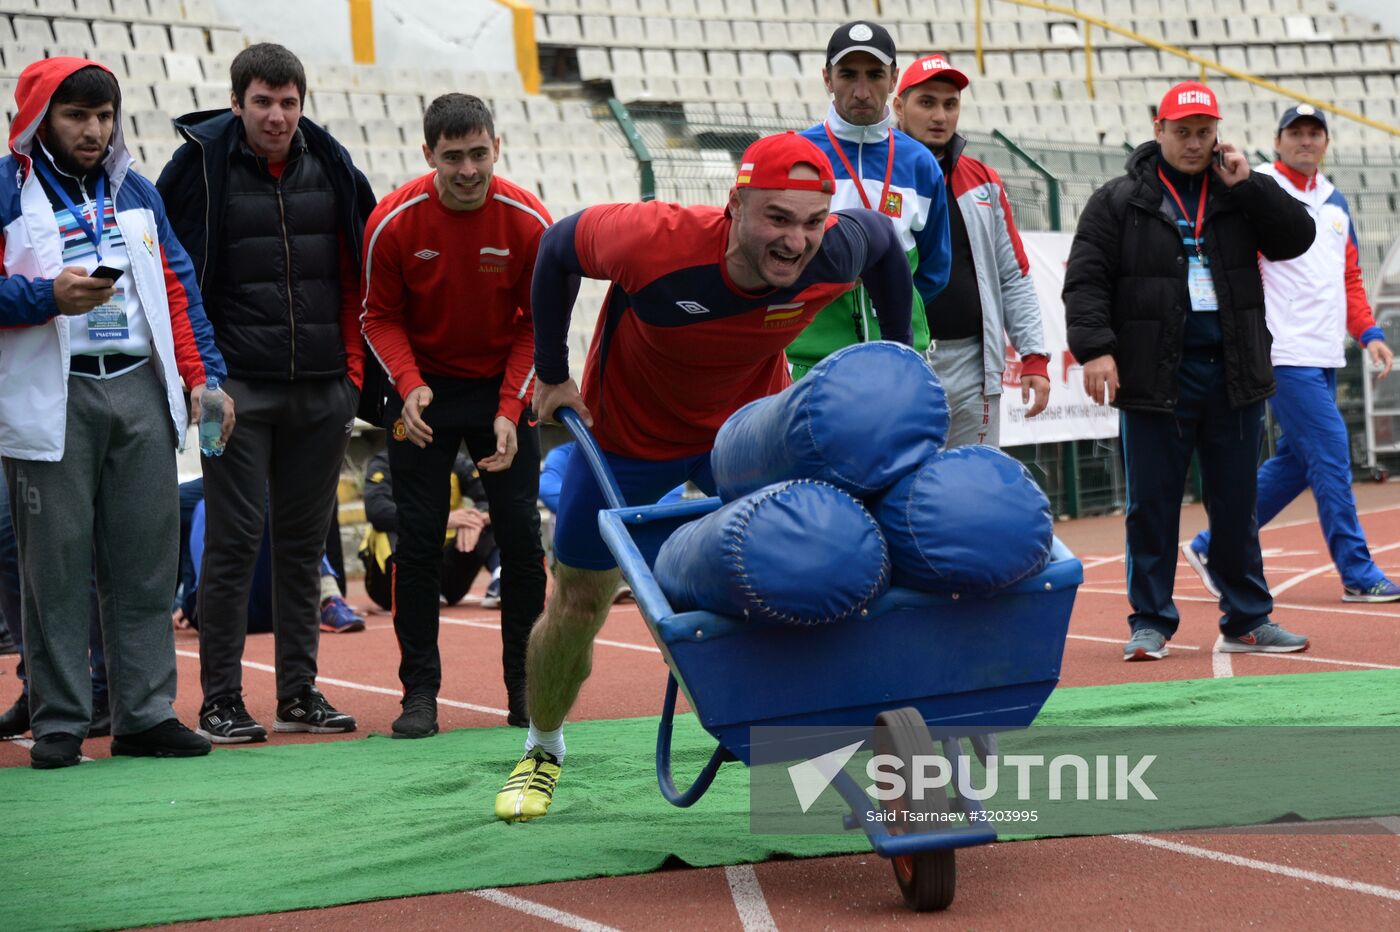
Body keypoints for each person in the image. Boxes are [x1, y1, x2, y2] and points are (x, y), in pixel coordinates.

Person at [494, 131, 917, 822]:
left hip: (745, 437)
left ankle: (832, 724)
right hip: (629, 436)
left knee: (815, 567)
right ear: (735, 207)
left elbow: (884, 249)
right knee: (577, 601)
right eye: (777, 218)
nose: (796, 241)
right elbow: (557, 248)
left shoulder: (837, 247)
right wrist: (550, 371)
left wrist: (899, 354)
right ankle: (543, 747)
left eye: (812, 221)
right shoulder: (653, 242)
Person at [0, 57, 230, 768]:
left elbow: (177, 285)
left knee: (145, 564)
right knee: (56, 566)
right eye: (77, 116)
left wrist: (205, 378)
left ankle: (145, 712)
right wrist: (45, 300)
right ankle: (62, 718)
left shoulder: (134, 190)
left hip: (138, 388)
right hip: (53, 392)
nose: (94, 130)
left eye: (104, 115)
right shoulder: (7, 192)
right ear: (40, 119)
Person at [158, 43, 378, 744]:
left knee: (302, 544)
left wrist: (350, 377)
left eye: (288, 103)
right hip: (233, 393)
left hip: (321, 391)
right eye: (263, 102)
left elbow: (357, 273)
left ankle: (298, 694)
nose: (277, 117)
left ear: (301, 103)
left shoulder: (335, 163)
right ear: (237, 103)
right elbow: (169, 272)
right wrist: (203, 379)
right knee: (230, 542)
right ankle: (220, 699)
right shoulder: (196, 165)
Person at [1064, 81, 1316, 663]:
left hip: (1232, 373)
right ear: (1159, 131)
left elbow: (1295, 238)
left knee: (1236, 503)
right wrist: (1097, 348)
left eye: (1204, 132)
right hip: (1155, 378)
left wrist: (1250, 184)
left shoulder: (1237, 193)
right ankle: (1150, 622)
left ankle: (1248, 620)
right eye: (1183, 132)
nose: (1194, 143)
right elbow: (1085, 282)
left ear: (1217, 133)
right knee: (1151, 506)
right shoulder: (1119, 200)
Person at [361, 94, 548, 738]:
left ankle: (525, 686)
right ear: (428, 156)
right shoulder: (393, 222)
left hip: (499, 384)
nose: (467, 169)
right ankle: (420, 694)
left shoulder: (528, 222)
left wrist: (510, 406)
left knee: (522, 539)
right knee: (416, 542)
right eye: (452, 157)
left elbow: (538, 327)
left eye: (478, 153)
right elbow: (377, 318)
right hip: (424, 389)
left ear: (496, 146)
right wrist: (408, 386)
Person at [1185, 105, 1399, 604]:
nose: (1305, 141)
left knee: (1298, 465)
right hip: (1281, 350)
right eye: (1295, 133)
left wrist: (1368, 333)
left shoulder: (1335, 202)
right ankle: (1357, 571)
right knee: (1330, 454)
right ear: (1277, 140)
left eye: (1314, 133)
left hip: (1325, 351)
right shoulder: (1254, 187)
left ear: (1325, 143)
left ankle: (1212, 545)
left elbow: (1347, 279)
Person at [892, 53, 1051, 446]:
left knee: (970, 489)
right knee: (902, 490)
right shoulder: (878, 176)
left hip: (973, 366)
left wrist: (1033, 355)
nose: (940, 116)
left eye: (950, 104)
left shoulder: (983, 180)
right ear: (899, 106)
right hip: (900, 362)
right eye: (926, 102)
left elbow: (1013, 275)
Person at [785, 20, 950, 378]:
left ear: (893, 79)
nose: (861, 92)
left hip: (901, 359)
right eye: (848, 75)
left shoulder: (920, 163)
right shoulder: (798, 155)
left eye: (874, 75)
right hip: (813, 362)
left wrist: (891, 300)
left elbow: (935, 269)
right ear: (827, 78)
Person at [173, 477, 366, 642]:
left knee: (296, 490)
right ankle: (329, 598)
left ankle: (329, 596)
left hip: (258, 605)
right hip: (234, 608)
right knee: (195, 504)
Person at [359, 448, 502, 613]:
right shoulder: (386, 461)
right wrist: (440, 520)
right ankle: (412, 587)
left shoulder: (456, 461)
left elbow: (490, 495)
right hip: (395, 575)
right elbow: (376, 509)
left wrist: (477, 519)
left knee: (487, 519)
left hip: (447, 572)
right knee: (386, 528)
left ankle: (501, 578)